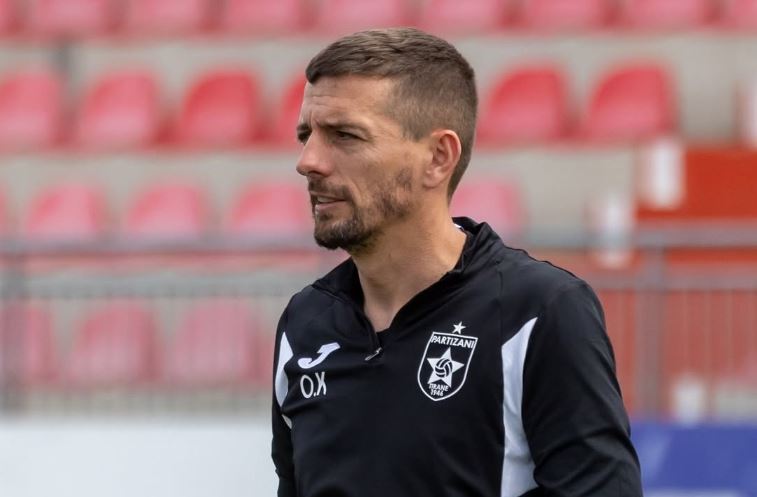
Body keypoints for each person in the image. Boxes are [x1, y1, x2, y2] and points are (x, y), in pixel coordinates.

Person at [271, 27, 642, 497]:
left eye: (345, 135)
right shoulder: (304, 322)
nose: (308, 161)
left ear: (438, 157)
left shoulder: (539, 312)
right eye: (306, 135)